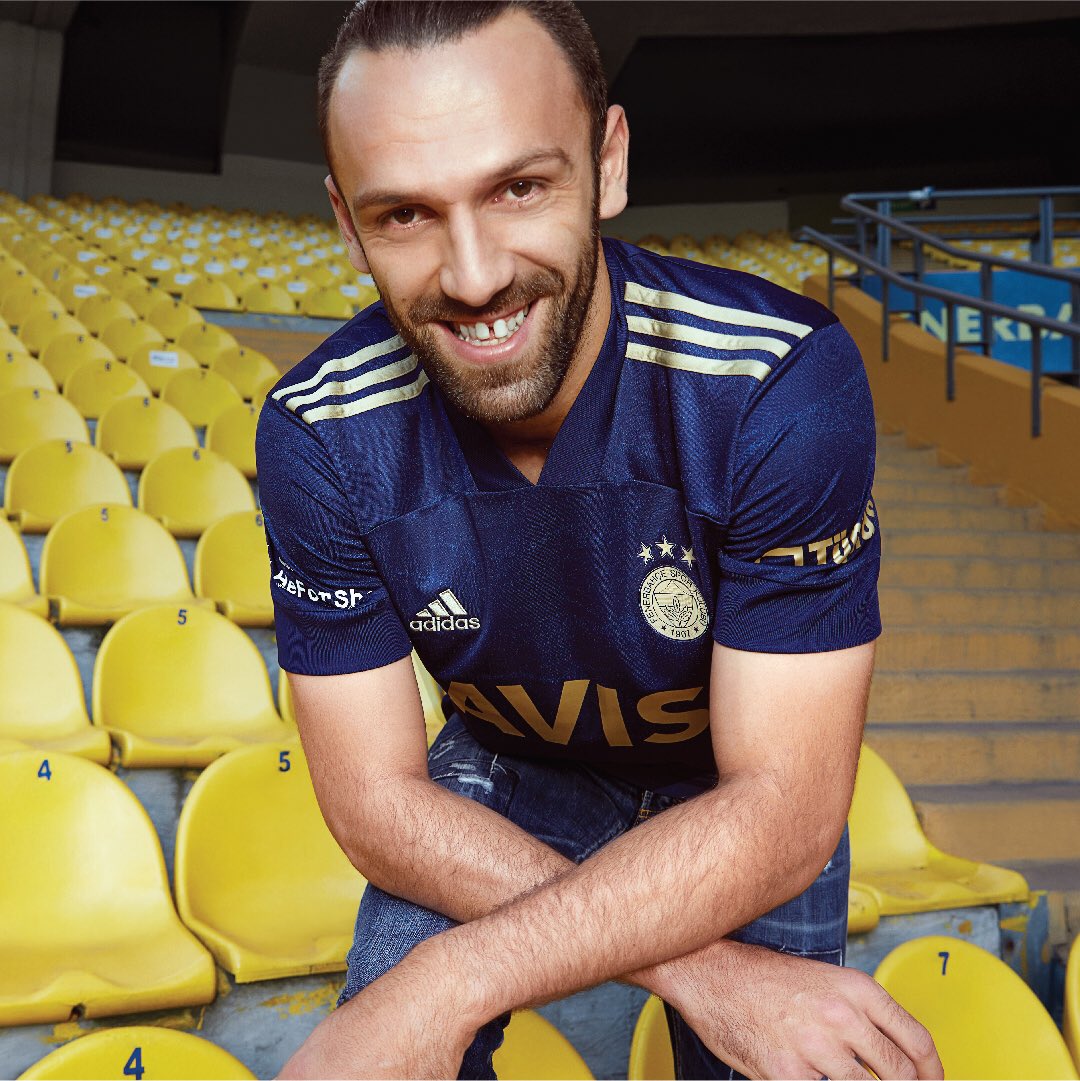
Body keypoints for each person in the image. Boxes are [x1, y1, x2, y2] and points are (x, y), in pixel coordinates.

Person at [256, 2, 942, 1078]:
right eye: (406, 214)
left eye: (520, 188)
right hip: (512, 766)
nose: (474, 275)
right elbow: (377, 802)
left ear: (607, 163)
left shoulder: (776, 382)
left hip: (729, 786)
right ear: (347, 222)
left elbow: (785, 801)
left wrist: (452, 977)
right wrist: (709, 974)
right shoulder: (320, 432)